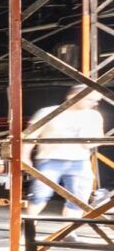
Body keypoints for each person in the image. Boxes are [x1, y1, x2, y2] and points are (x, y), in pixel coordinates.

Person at [25, 85, 106, 220]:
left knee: (79, 199)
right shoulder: (47, 112)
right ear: (73, 97)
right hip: (49, 160)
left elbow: (98, 138)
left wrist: (89, 141)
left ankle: (69, 232)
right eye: (90, 99)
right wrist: (24, 157)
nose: (95, 103)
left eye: (96, 100)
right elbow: (29, 136)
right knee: (39, 195)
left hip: (79, 161)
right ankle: (26, 229)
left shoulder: (94, 116)